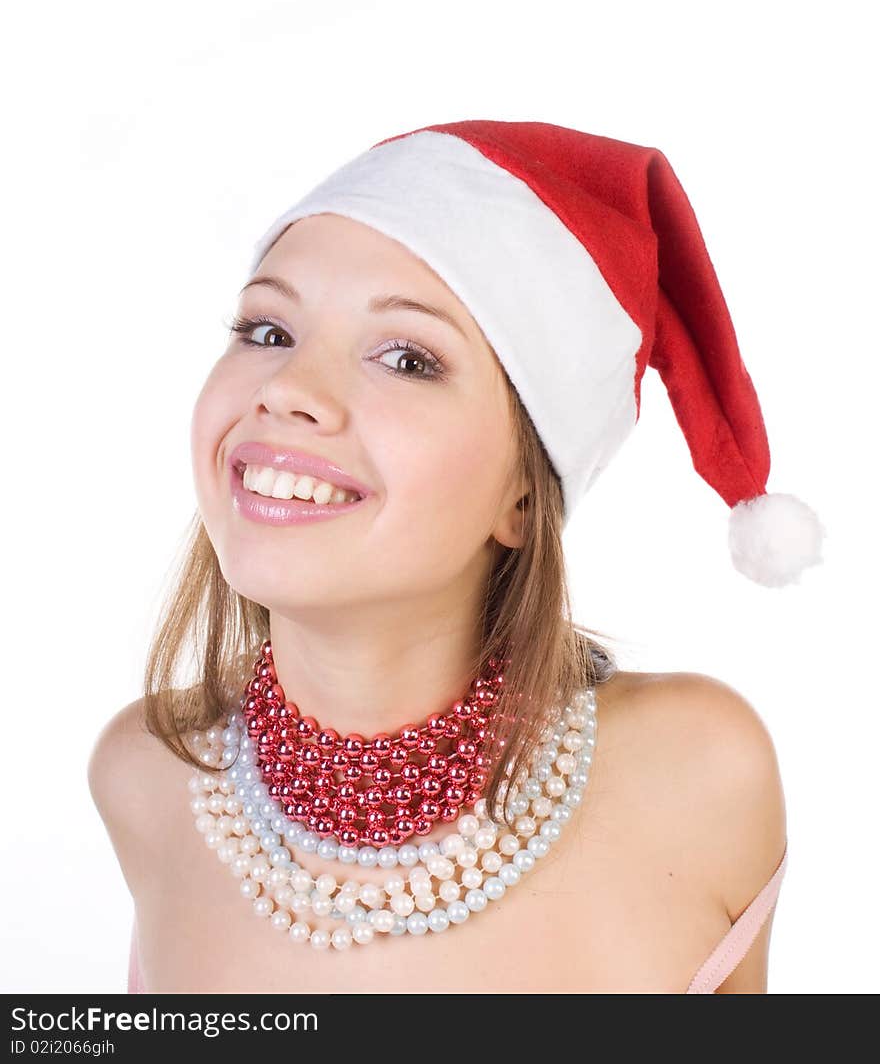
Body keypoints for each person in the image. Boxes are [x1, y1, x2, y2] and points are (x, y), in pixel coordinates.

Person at [88, 118, 823, 994]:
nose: (287, 390)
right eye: (267, 331)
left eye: (406, 358)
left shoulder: (700, 770)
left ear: (523, 493)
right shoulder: (144, 774)